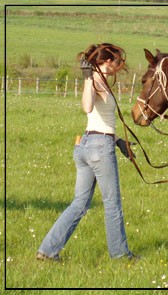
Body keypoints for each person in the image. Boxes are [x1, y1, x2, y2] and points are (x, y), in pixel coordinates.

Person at [36, 43, 137, 261]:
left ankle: (47, 250)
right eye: (117, 61)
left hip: (89, 144)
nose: (119, 66)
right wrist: (88, 79)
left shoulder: (102, 82)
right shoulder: (95, 81)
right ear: (107, 62)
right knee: (112, 204)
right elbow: (87, 107)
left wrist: (119, 141)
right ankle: (120, 255)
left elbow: (99, 120)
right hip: (99, 148)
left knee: (79, 204)